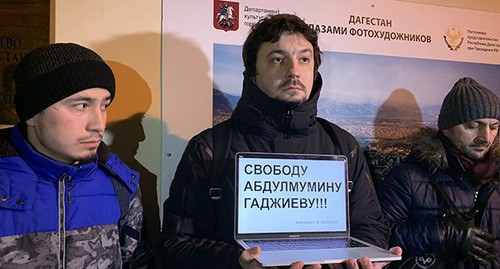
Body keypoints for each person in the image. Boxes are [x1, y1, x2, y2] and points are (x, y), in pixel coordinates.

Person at [159, 14, 401, 269]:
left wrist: (360, 260)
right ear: (252, 72)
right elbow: (177, 245)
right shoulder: (210, 148)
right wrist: (237, 262)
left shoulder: (343, 145)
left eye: (304, 59)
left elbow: (370, 224)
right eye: (278, 59)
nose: (294, 71)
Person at [0, 43, 144, 268]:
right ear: (32, 114)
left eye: (104, 105)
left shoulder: (122, 184)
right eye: (81, 105)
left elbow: (135, 261)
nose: (99, 125)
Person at [377, 77, 499, 269]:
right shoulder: (408, 177)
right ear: (447, 128)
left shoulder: (495, 179)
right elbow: (379, 238)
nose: (486, 137)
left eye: (494, 127)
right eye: (474, 126)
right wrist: (442, 234)